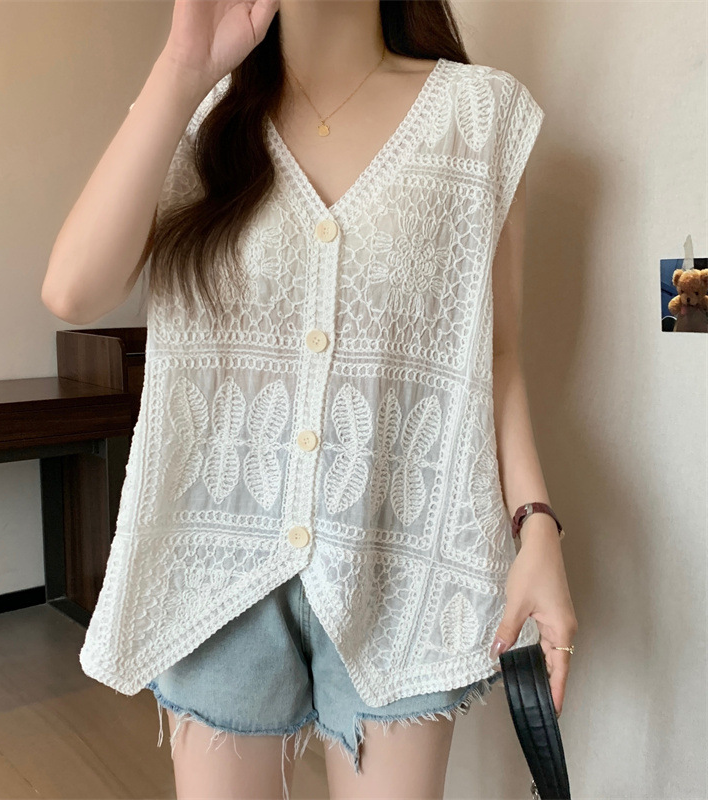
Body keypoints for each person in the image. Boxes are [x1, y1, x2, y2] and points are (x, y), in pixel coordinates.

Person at [42, 0, 578, 797]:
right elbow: (73, 291)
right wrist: (181, 71)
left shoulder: (479, 116)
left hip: (401, 565)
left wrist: (535, 525)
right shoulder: (195, 116)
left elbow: (493, 355)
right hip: (212, 565)